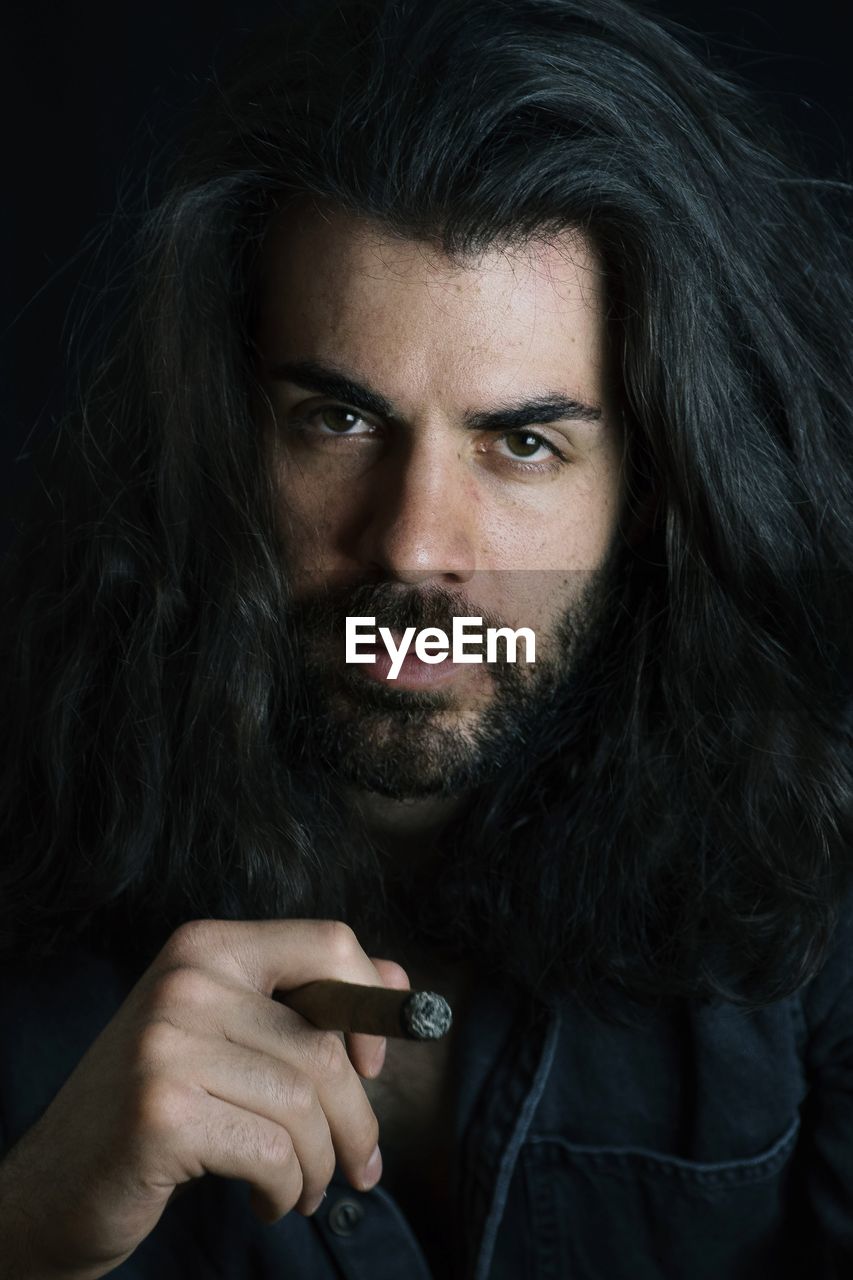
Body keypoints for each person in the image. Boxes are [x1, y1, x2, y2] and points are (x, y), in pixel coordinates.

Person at [0, 0, 850, 1276]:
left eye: (522, 445)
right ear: (220, 431)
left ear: (660, 486)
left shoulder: (825, 853)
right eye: (337, 422)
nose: (410, 545)